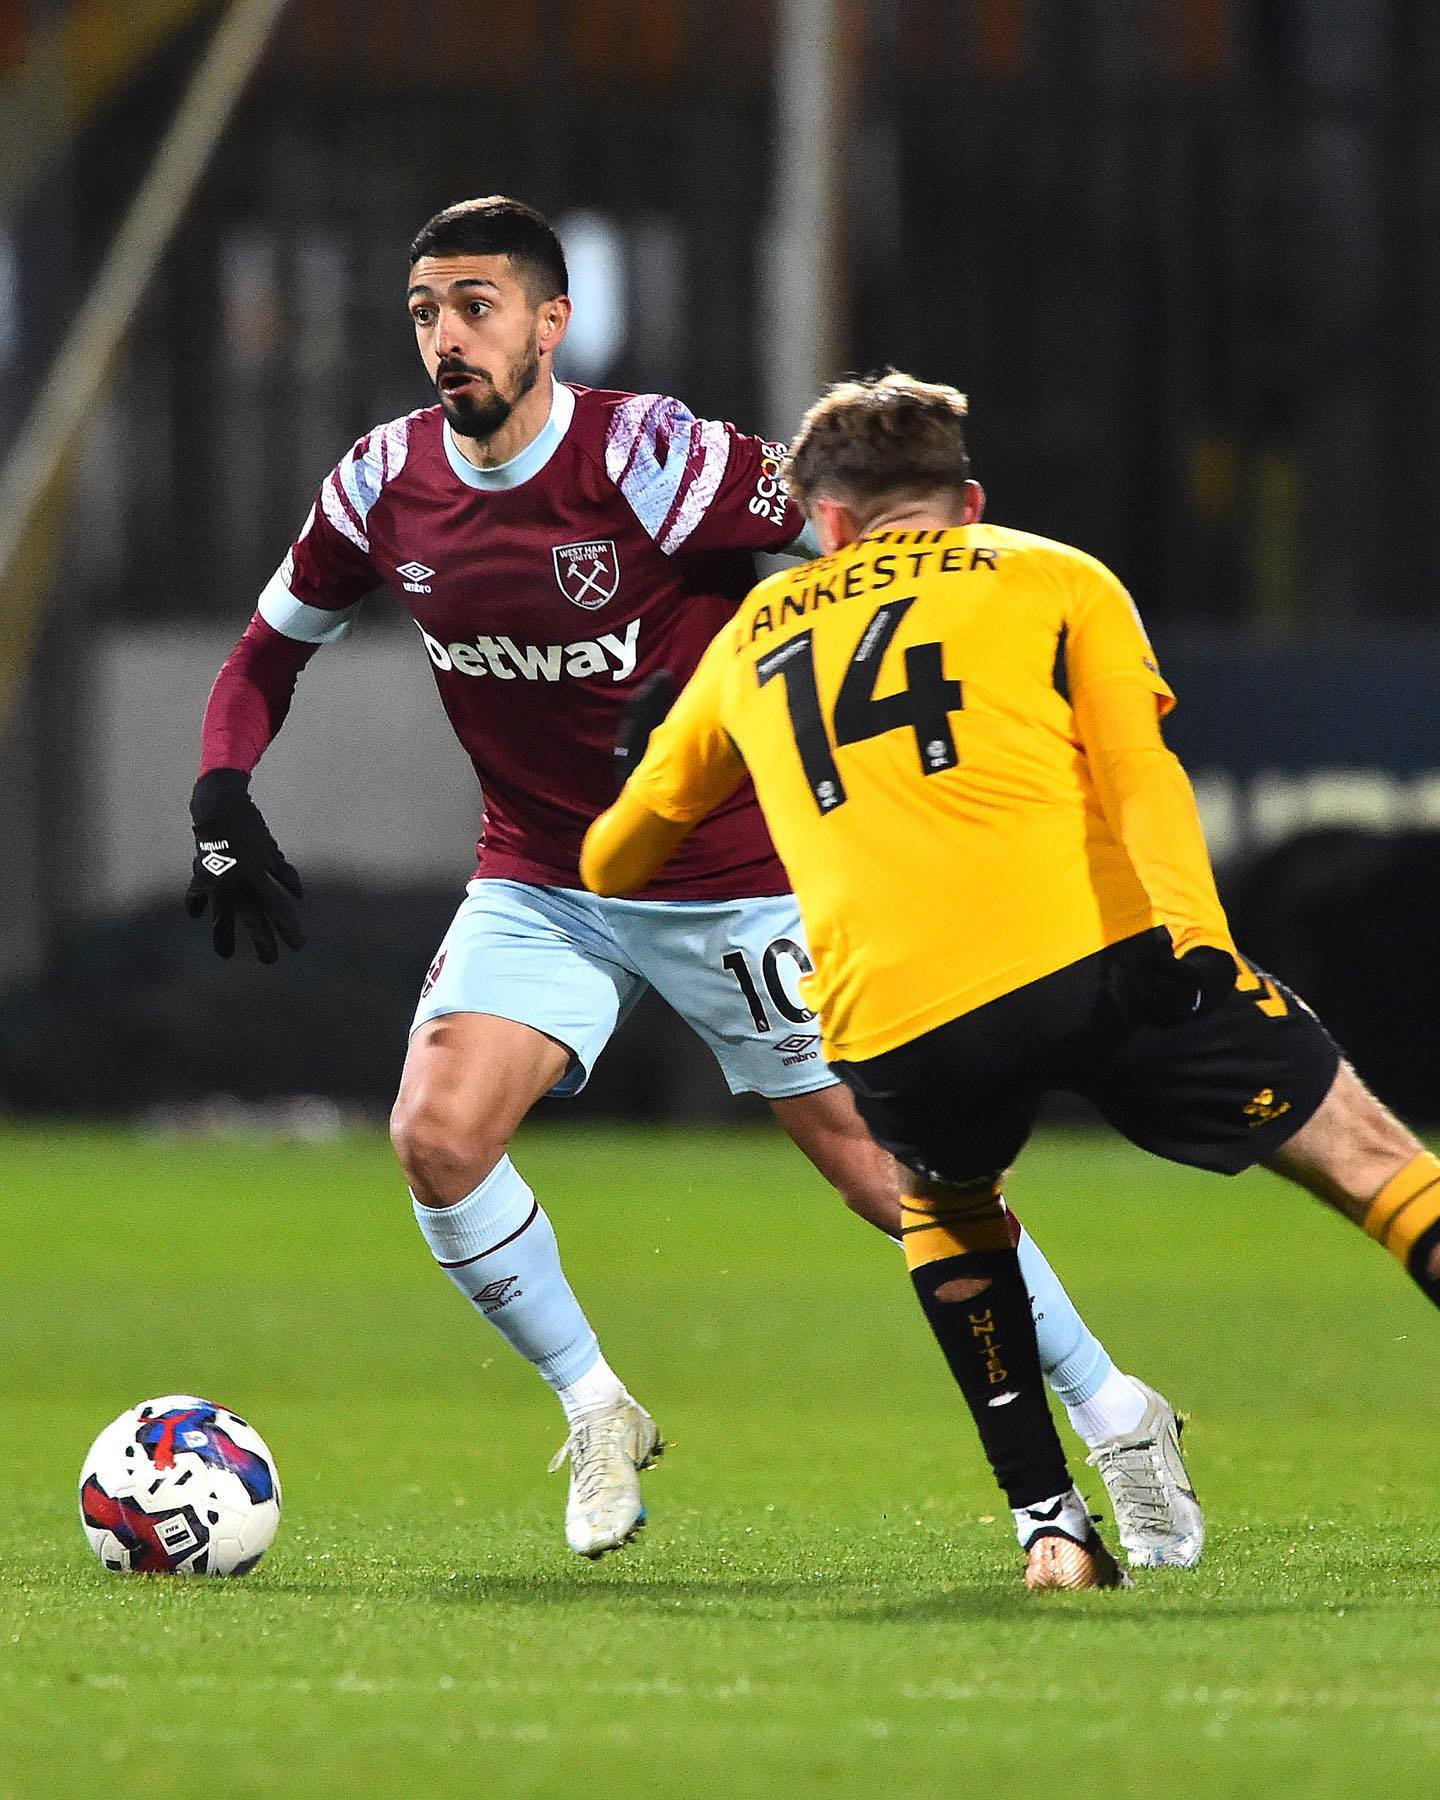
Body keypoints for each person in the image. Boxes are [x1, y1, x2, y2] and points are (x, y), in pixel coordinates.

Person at [185, 199, 1201, 1566]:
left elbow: (862, 546)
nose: (446, 336)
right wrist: (220, 786)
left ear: (552, 322)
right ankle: (598, 1405)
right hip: (543, 877)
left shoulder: (650, 458)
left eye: (475, 305)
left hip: (732, 882)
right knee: (434, 1134)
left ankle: (1118, 1410)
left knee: (886, 1177)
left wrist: (749, 679)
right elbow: (267, 650)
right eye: (426, 309)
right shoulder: (383, 483)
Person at [580, 367, 1440, 1590]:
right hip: (1097, 958)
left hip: (897, 1019)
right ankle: (1072, 1497)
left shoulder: (752, 635)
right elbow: (1142, 771)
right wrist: (1194, 936)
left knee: (944, 1205)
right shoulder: (1052, 574)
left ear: (823, 522)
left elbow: (617, 859)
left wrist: (644, 766)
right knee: (1371, 1159)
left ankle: (1049, 1525)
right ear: (965, 501)